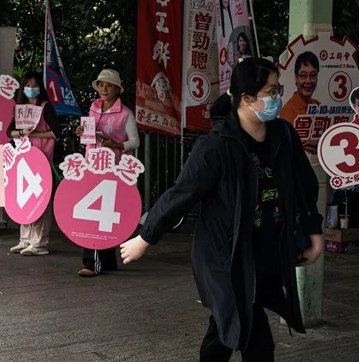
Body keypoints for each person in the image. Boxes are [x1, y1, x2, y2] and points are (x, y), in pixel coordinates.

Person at [120, 57, 325, 362]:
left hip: (266, 250)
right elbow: (182, 193)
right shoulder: (216, 146)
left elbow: (304, 186)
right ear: (246, 99)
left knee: (227, 326)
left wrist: (313, 232)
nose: (277, 97)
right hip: (225, 256)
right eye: (271, 91)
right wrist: (144, 238)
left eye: (278, 89)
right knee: (250, 332)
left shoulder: (283, 135)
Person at [74, 69, 140, 277]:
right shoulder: (93, 108)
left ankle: (92, 263)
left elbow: (135, 141)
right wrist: (80, 132)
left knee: (97, 215)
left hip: (111, 169)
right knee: (100, 214)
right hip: (91, 166)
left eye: (108, 85)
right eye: (101, 84)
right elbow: (89, 136)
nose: (104, 88)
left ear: (117, 89)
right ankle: (108, 261)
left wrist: (117, 145)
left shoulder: (125, 113)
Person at [7, 71, 61, 257]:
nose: (31, 88)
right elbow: (10, 132)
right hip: (23, 159)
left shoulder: (45, 107)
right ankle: (25, 239)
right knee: (24, 197)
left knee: (40, 199)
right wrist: (22, 133)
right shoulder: (19, 108)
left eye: (35, 85)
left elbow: (55, 132)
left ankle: (39, 242)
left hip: (42, 159)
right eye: (28, 84)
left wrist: (34, 134)